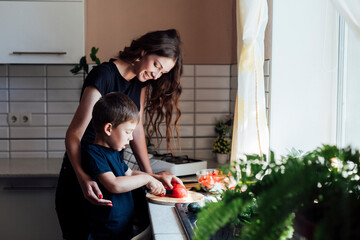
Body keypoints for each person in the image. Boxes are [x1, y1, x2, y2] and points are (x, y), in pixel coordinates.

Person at [55, 29, 183, 240]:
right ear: (143, 52)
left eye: (162, 72)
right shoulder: (103, 75)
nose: (156, 75)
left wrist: (152, 177)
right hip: (82, 174)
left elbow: (137, 128)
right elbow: (74, 135)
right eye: (156, 66)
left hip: (109, 172)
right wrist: (83, 178)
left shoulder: (140, 83)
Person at [83, 92, 165, 240]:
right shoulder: (94, 153)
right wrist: (147, 178)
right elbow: (114, 184)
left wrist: (158, 178)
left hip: (123, 228)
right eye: (128, 131)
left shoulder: (114, 151)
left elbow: (129, 174)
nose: (131, 137)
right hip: (106, 232)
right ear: (108, 129)